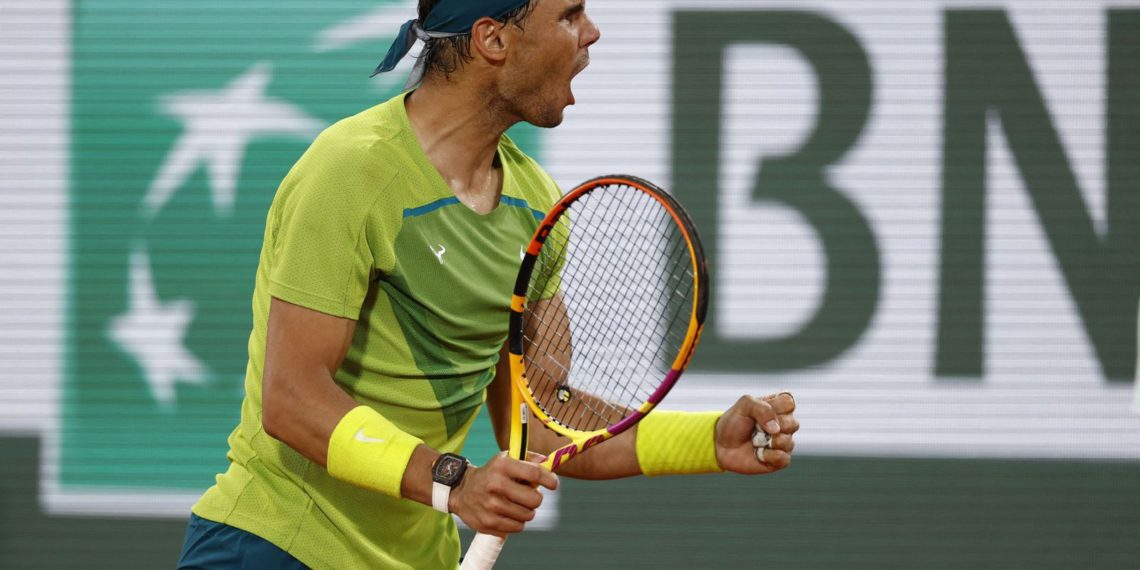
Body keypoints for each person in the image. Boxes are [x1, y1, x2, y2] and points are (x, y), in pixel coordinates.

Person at [177, 0, 799, 568]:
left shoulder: (536, 205)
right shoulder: (350, 172)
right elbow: (291, 399)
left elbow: (545, 420)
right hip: (275, 544)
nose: (591, 32)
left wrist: (709, 439)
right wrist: (454, 482)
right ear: (493, 39)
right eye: (569, 14)